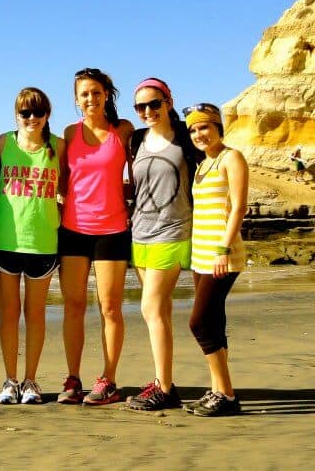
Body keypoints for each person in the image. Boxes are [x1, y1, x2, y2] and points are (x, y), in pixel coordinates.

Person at [57, 68, 134, 406]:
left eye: (96, 92)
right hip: (73, 229)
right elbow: (60, 180)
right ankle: (73, 378)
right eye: (84, 94)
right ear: (76, 99)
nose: (90, 98)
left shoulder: (124, 130)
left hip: (113, 230)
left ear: (107, 95)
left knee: (110, 308)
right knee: (73, 306)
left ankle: (109, 380)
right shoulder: (68, 134)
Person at [125, 78, 202, 411]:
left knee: (151, 308)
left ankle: (166, 388)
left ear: (169, 102)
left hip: (173, 231)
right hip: (140, 234)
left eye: (155, 104)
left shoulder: (187, 137)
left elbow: (216, 165)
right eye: (141, 106)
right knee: (161, 311)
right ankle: (161, 379)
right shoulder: (137, 140)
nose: (148, 111)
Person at [0, 88, 65, 405]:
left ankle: (31, 381)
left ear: (47, 114)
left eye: (38, 112)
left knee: (35, 314)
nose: (31, 118)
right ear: (16, 115)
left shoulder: (59, 146)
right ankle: (10, 380)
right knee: (9, 314)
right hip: (6, 241)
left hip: (44, 242)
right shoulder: (3, 143)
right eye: (25, 113)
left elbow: (71, 187)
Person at [184, 103, 248, 417]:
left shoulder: (231, 158)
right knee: (214, 322)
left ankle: (228, 394)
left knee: (199, 322)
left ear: (218, 127)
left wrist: (222, 249)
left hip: (222, 256)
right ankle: (218, 390)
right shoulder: (202, 164)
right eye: (193, 129)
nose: (199, 134)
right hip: (201, 255)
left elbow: (238, 207)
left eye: (205, 127)